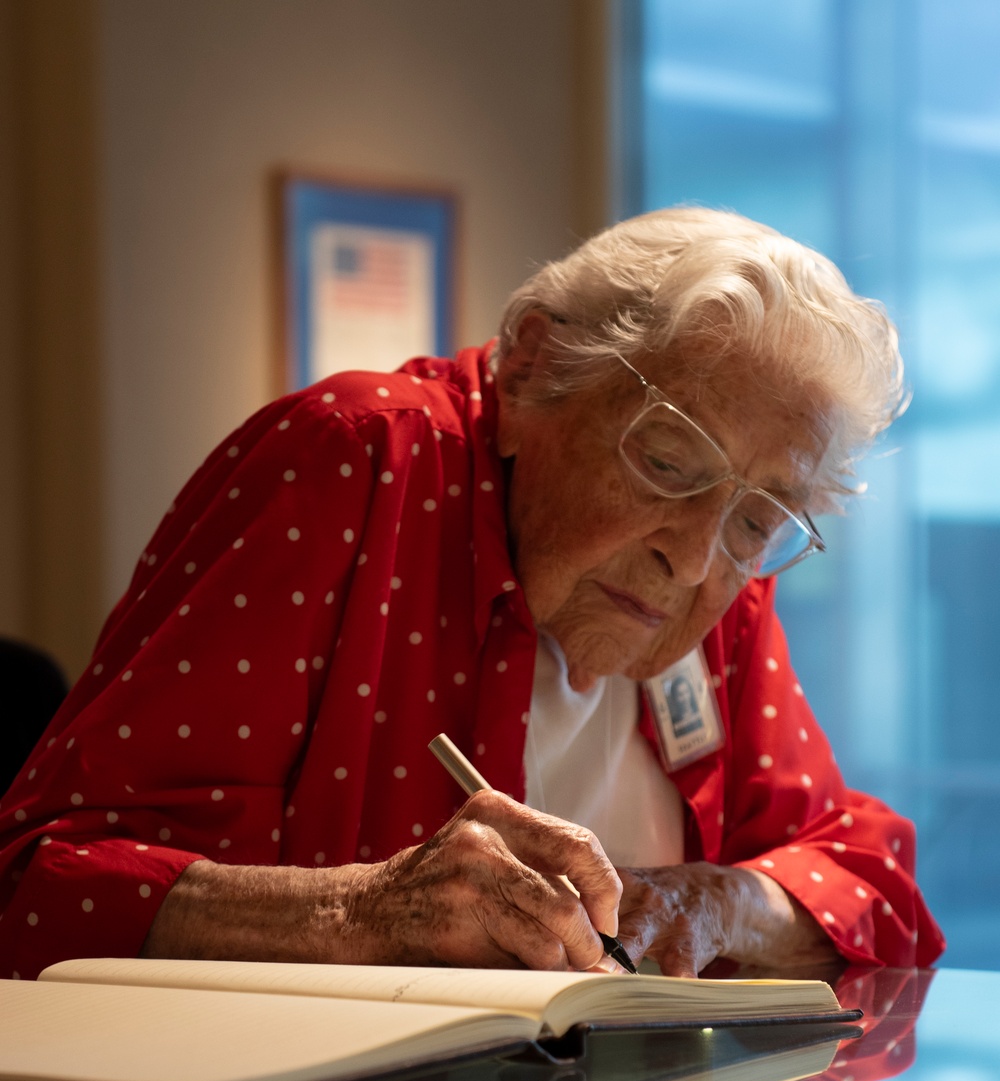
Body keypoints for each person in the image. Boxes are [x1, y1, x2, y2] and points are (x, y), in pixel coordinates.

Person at [0, 207, 943, 981]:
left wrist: (719, 902)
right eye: (666, 462)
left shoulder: (723, 575)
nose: (696, 560)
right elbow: (36, 888)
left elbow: (871, 885)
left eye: (757, 521)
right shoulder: (355, 465)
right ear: (534, 366)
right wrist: (362, 912)